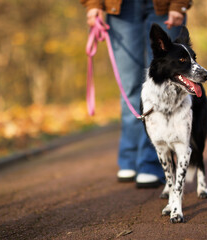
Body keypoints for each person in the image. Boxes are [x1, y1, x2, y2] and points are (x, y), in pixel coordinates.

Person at [80, 0, 193, 188]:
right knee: (130, 86)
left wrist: (178, 4)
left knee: (162, 85)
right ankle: (130, 157)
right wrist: (93, 4)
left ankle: (150, 162)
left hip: (165, 6)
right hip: (120, 8)